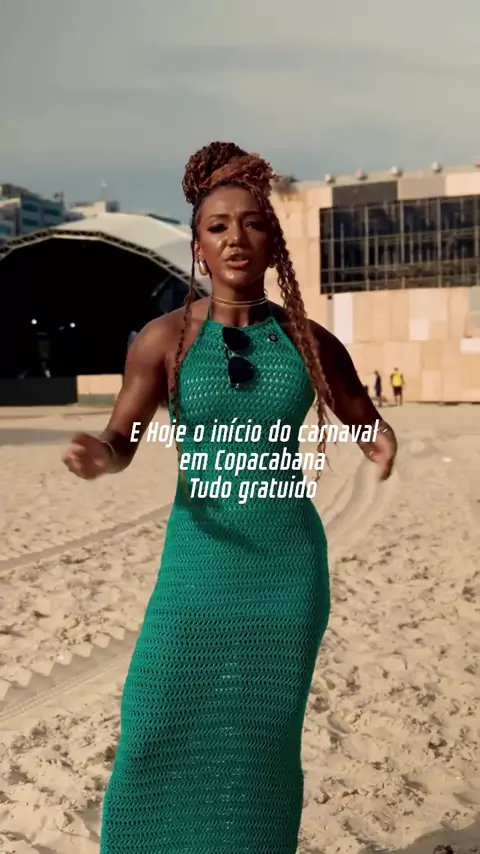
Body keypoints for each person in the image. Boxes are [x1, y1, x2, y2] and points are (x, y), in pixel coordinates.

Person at [63, 142, 398, 854]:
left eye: (252, 224)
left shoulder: (309, 341)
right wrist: (101, 454)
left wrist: (379, 442)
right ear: (198, 247)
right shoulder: (163, 341)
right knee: (154, 719)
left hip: (285, 571)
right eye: (218, 226)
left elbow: (361, 415)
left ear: (273, 243)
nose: (235, 238)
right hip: (195, 566)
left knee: (260, 743)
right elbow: (123, 437)